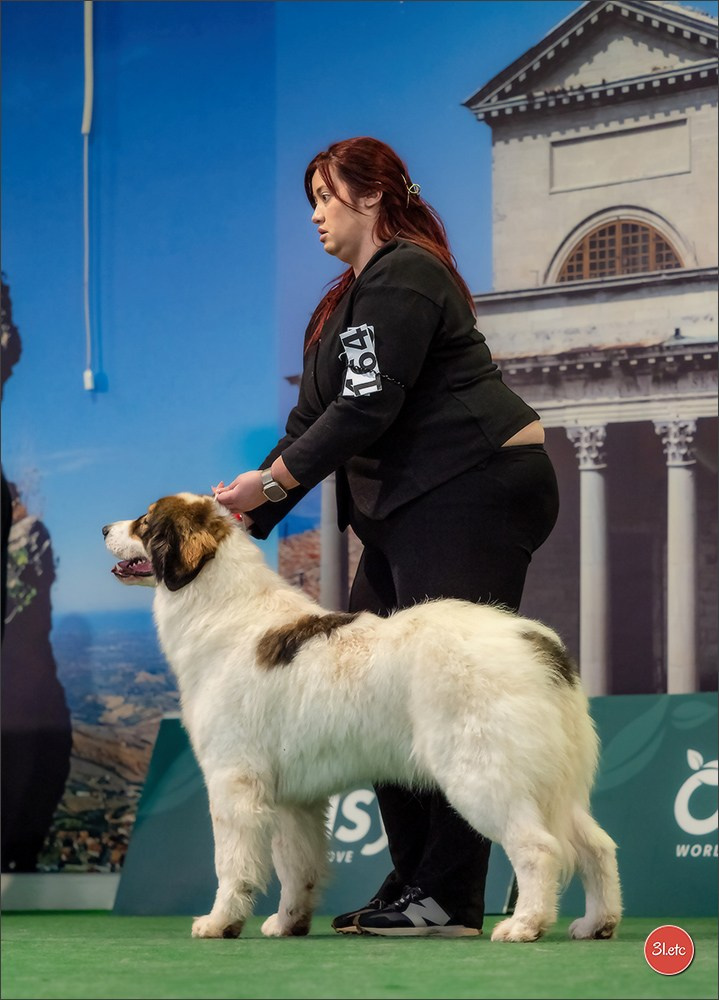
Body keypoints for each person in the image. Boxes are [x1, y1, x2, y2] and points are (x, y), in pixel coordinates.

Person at [213, 136, 559, 938]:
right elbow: (313, 418)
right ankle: (416, 887)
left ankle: (447, 896)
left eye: (325, 196)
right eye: (310, 200)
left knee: (449, 693)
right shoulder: (344, 302)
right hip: (416, 503)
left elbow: (369, 408)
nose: (314, 214)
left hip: (473, 489)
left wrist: (273, 482)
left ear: (369, 198)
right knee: (370, 693)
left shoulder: (405, 272)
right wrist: (248, 505)